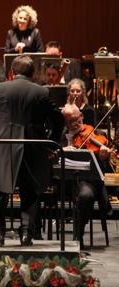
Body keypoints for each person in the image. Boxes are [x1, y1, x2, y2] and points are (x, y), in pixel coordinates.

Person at [0, 55, 63, 247]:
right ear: (33, 74)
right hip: (32, 144)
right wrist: (51, 143)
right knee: (30, 189)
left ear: (12, 72)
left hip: (2, 144)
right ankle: (26, 234)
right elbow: (58, 118)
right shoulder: (41, 91)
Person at [60, 104, 111, 248]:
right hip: (64, 181)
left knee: (86, 195)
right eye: (70, 121)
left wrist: (102, 157)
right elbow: (51, 154)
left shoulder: (96, 133)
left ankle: (79, 234)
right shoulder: (60, 134)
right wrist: (62, 150)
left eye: (77, 119)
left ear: (82, 116)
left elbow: (103, 166)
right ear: (64, 121)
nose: (75, 123)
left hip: (87, 181)